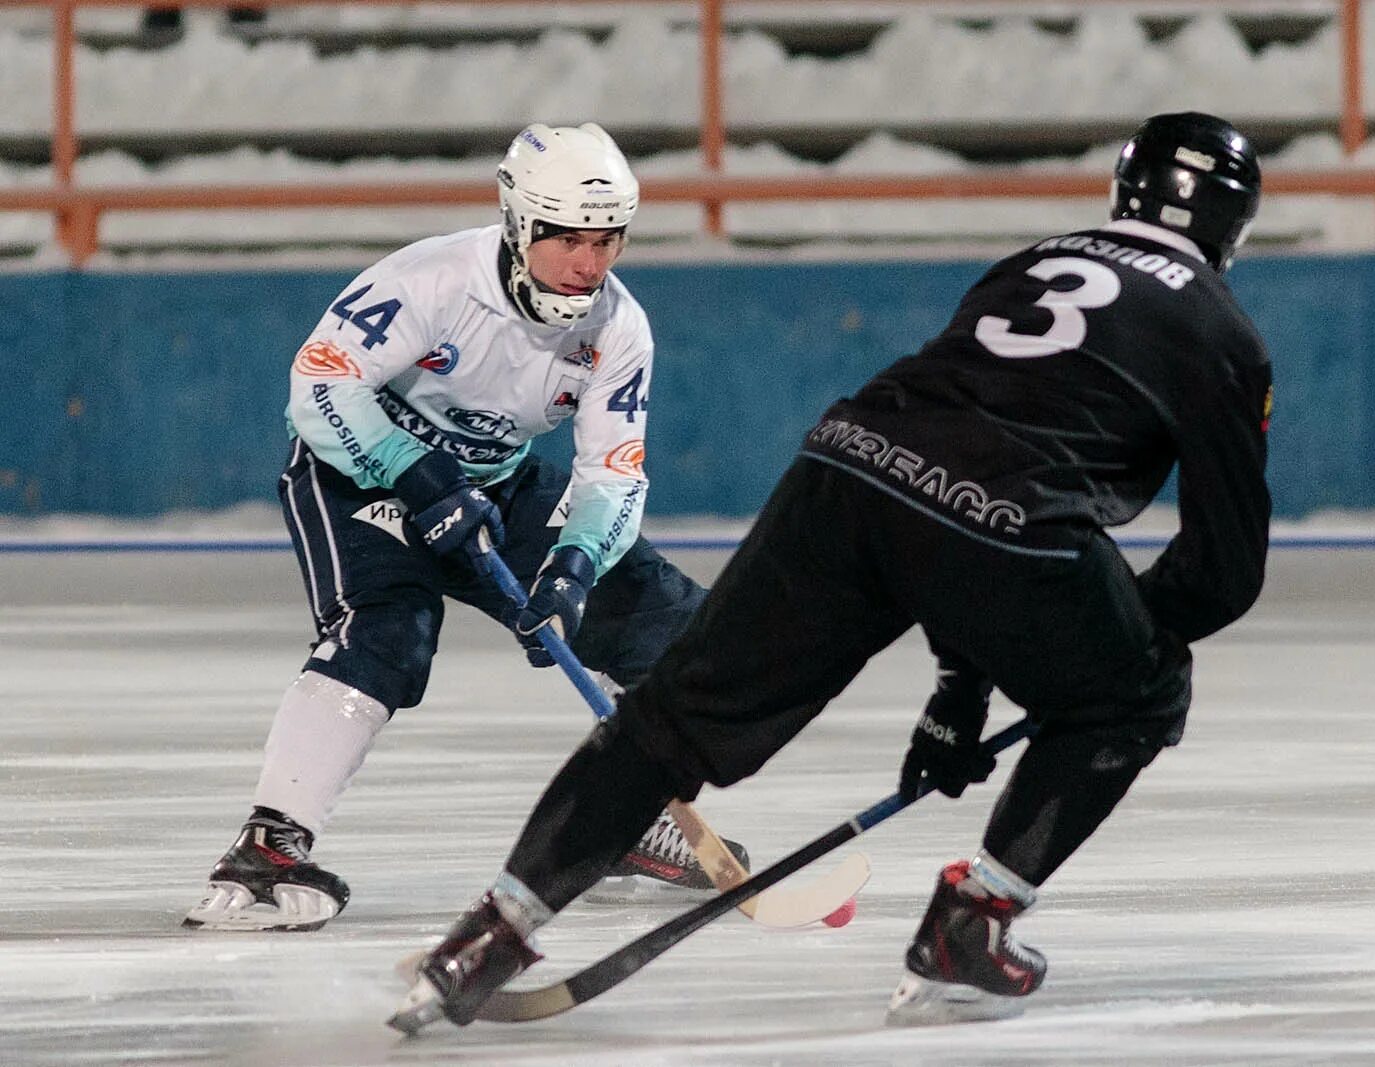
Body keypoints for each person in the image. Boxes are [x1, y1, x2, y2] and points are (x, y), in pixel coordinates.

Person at [389, 110, 1273, 1031]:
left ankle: (487, 934)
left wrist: (959, 694)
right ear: (1234, 224)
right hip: (1011, 516)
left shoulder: (1034, 263)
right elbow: (1220, 571)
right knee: (1142, 690)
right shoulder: (1221, 328)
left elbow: (945, 464)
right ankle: (972, 926)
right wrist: (1100, 656)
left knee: (673, 720)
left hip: (850, 465)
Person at [183, 122, 747, 933]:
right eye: (569, 240)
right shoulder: (433, 280)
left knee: (673, 626)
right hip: (354, 472)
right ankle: (269, 844)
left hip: (495, 483)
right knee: (388, 628)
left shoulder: (618, 327)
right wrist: (419, 476)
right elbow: (318, 387)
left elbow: (613, 469)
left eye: (608, 240)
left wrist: (577, 566)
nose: (590, 264)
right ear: (521, 224)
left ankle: (628, 810)